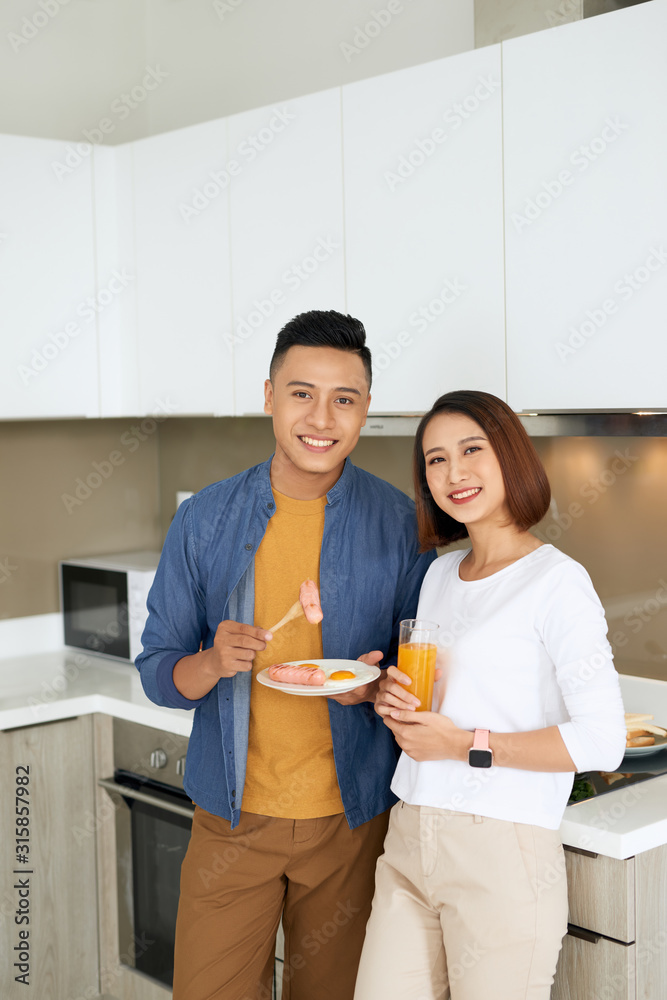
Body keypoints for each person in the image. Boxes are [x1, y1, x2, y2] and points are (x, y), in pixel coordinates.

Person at [135, 310, 436, 1000]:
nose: (320, 418)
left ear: (365, 411)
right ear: (269, 395)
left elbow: (421, 668)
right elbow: (158, 669)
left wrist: (376, 687)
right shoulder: (205, 520)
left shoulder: (400, 524)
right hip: (231, 821)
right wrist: (209, 663)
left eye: (344, 398)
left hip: (352, 823)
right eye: (301, 393)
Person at [353, 389, 626, 1000]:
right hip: (410, 836)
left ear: (510, 455)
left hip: (501, 850)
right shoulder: (439, 574)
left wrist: (464, 745)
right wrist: (393, 700)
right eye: (436, 460)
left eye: (471, 449)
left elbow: (603, 741)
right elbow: (441, 703)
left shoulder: (557, 582)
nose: (454, 473)